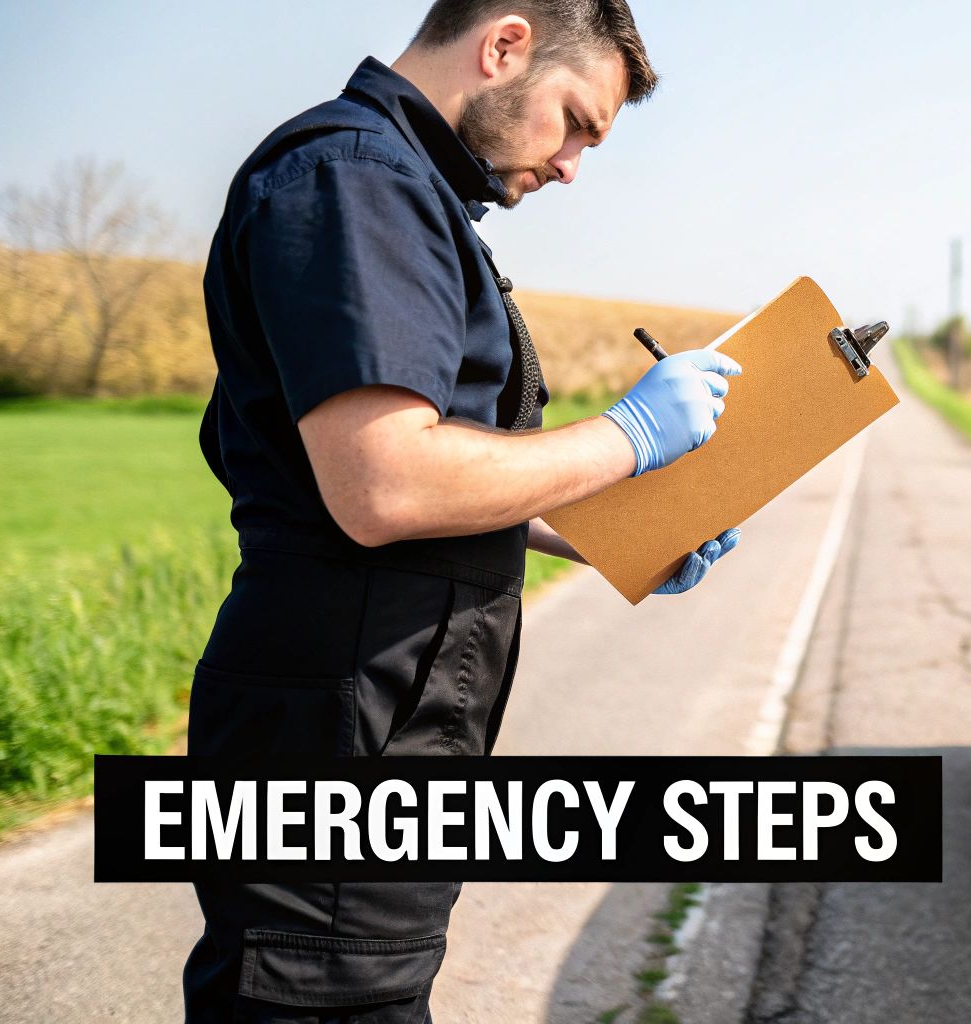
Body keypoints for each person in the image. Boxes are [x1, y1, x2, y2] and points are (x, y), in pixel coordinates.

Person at [185, 2, 730, 1019]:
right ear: (504, 45)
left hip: (381, 732)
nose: (573, 165)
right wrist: (627, 436)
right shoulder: (354, 181)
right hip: (338, 739)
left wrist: (614, 527)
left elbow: (426, 474)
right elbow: (384, 484)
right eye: (576, 121)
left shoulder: (407, 194)